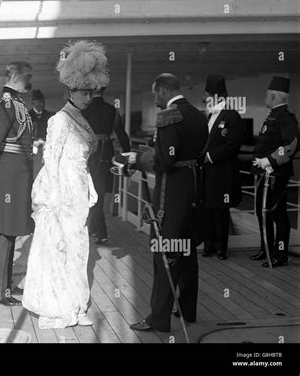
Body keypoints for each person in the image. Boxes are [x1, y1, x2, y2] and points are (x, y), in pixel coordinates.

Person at [23, 40, 109, 329]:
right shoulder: (60, 120)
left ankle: (77, 304)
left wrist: (87, 188)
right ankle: (61, 306)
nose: (89, 96)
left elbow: (87, 154)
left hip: (80, 190)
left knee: (80, 249)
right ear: (70, 91)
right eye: (84, 92)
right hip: (65, 194)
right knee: (62, 249)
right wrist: (55, 197)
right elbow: (51, 158)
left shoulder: (80, 118)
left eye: (91, 91)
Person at [124, 73, 208, 333]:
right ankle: (188, 310)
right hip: (193, 190)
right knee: (186, 250)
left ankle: (158, 320)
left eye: (154, 93)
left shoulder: (169, 116)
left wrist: (139, 159)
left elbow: (164, 163)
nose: (154, 99)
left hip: (171, 194)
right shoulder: (198, 115)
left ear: (162, 90)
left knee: (165, 254)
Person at [0, 61, 34, 306]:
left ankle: (4, 288)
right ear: (12, 77)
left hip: (17, 175)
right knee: (4, 234)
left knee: (10, 233)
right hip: (7, 176)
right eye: (25, 78)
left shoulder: (17, 104)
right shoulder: (6, 105)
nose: (29, 82)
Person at [250, 76, 298, 268]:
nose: (265, 97)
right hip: (265, 174)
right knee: (262, 213)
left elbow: (292, 144)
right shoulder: (272, 116)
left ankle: (281, 254)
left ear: (273, 96)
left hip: (277, 174)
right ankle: (267, 249)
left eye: (267, 94)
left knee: (278, 213)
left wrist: (270, 160)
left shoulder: (286, 118)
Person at [201, 74, 243, 260]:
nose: (205, 99)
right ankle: (208, 245)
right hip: (208, 173)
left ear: (217, 96)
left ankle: (221, 248)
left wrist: (209, 156)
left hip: (222, 172)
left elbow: (232, 145)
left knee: (221, 211)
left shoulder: (232, 116)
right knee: (208, 209)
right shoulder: (210, 116)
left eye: (207, 95)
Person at [82, 87, 131, 245]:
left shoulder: (84, 109)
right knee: (100, 193)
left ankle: (100, 231)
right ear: (103, 91)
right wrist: (128, 154)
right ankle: (94, 228)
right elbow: (122, 134)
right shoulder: (112, 110)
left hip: (89, 153)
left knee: (92, 192)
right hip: (106, 153)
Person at [28, 89, 54, 178]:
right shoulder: (27, 116)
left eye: (42, 101)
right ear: (33, 103)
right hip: (31, 146)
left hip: (46, 146)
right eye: (39, 102)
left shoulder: (50, 116)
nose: (42, 104)